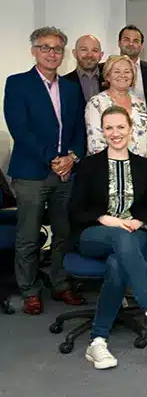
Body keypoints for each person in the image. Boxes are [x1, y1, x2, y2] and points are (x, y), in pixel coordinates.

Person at [69, 106, 147, 369]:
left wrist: (139, 221)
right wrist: (106, 219)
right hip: (95, 233)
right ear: (102, 132)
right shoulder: (89, 165)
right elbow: (76, 209)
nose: (115, 133)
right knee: (119, 237)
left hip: (134, 233)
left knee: (118, 261)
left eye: (120, 127)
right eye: (109, 128)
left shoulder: (143, 165)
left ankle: (98, 342)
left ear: (130, 130)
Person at [3, 26, 85, 314]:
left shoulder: (71, 89)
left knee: (64, 232)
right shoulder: (17, 84)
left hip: (66, 173)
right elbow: (20, 130)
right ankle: (30, 290)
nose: (52, 53)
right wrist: (54, 158)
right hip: (31, 172)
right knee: (28, 234)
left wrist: (72, 157)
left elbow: (78, 129)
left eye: (57, 49)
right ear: (34, 50)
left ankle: (61, 284)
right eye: (45, 47)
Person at [85, 56, 147, 157]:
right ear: (107, 76)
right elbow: (95, 144)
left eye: (127, 71)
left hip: (139, 167)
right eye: (117, 71)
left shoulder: (140, 103)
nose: (122, 75)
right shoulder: (96, 103)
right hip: (107, 167)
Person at [117, 25, 147, 113]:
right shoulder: (104, 69)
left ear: (141, 46)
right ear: (119, 43)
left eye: (136, 41)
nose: (131, 44)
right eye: (126, 40)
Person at [63, 34, 104, 104]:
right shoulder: (63, 83)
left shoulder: (112, 78)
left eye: (95, 50)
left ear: (101, 55)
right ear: (74, 53)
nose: (89, 55)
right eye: (84, 50)